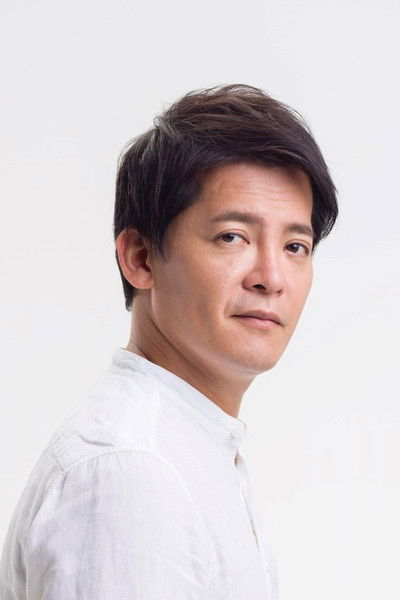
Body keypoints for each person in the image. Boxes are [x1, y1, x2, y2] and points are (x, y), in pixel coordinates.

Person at [0, 84, 338, 599]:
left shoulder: (188, 448)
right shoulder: (132, 472)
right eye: (233, 237)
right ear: (140, 258)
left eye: (296, 246)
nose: (271, 278)